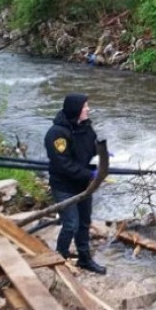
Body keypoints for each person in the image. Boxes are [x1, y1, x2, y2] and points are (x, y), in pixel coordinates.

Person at [44, 93, 106, 274]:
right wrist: (90, 173)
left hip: (84, 185)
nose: (88, 109)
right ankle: (59, 258)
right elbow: (63, 164)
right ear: (75, 109)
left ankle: (85, 259)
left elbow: (92, 147)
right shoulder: (57, 134)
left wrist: (103, 155)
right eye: (85, 106)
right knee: (71, 224)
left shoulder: (86, 127)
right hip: (64, 186)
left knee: (84, 223)